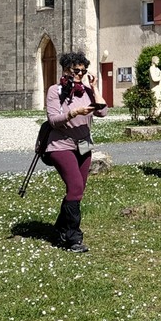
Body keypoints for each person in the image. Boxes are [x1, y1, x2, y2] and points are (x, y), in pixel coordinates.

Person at [44, 51, 108, 252]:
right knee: (75, 187)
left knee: (78, 189)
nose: (80, 74)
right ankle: (73, 238)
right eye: (76, 70)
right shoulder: (55, 91)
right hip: (61, 146)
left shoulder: (86, 91)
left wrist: (95, 88)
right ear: (65, 70)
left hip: (84, 145)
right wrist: (74, 113)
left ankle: (61, 227)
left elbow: (103, 111)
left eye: (83, 70)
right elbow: (53, 120)